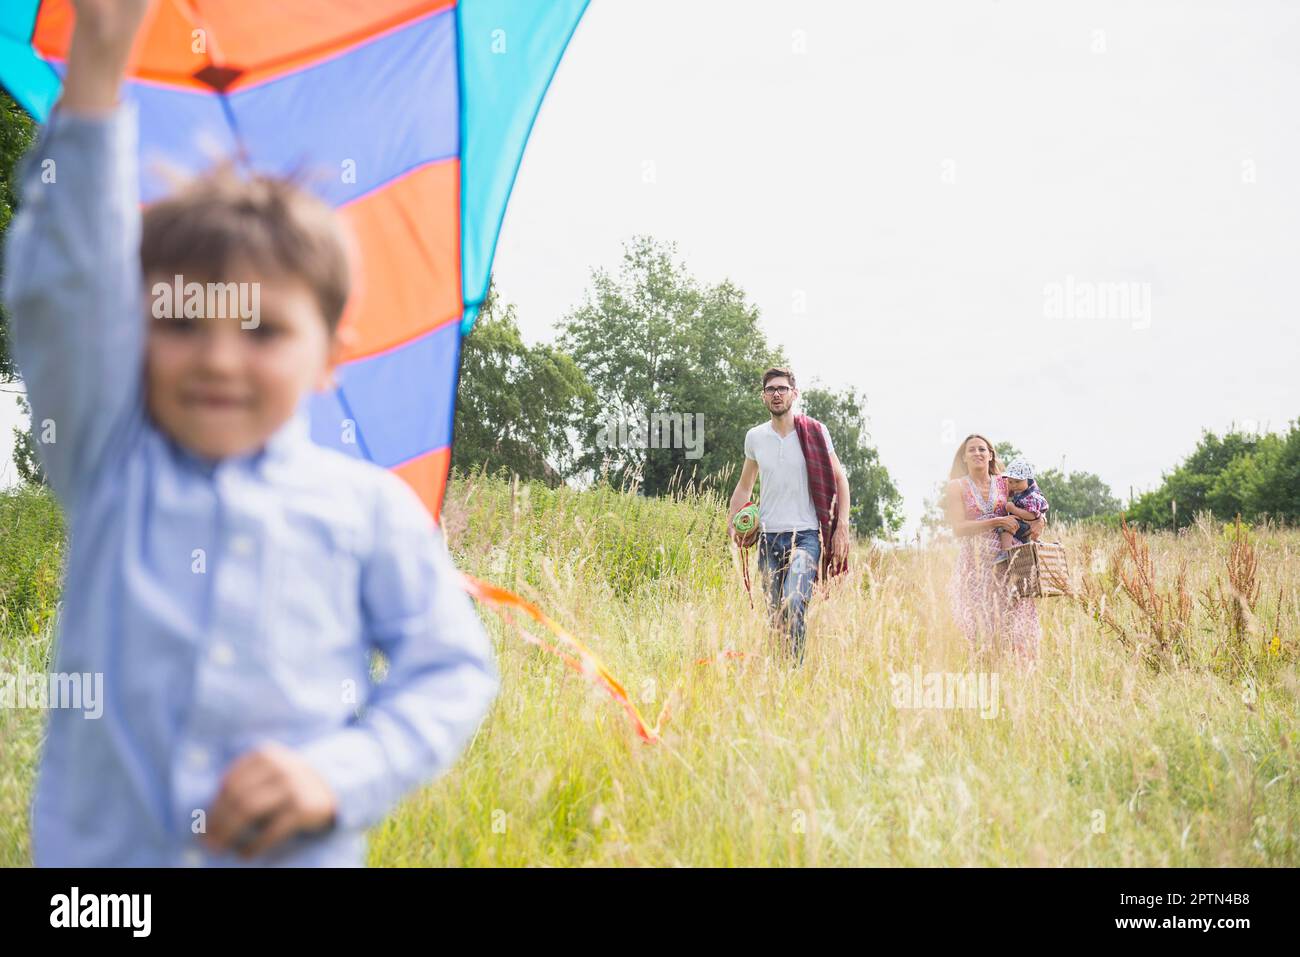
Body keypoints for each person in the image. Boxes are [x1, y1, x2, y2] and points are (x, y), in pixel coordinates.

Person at [2, 0, 497, 866]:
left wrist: (338, 771)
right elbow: (67, 279)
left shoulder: (369, 510)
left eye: (263, 331)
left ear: (330, 357)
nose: (220, 360)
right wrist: (101, 60)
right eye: (184, 321)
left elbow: (451, 670)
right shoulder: (110, 457)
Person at [728, 367, 850, 664]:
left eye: (783, 388)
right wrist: (735, 525)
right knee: (775, 617)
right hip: (768, 539)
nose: (777, 394)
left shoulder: (815, 431)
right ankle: (781, 675)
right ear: (763, 397)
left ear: (794, 394)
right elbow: (744, 487)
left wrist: (842, 525)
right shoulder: (755, 437)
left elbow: (840, 479)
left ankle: (794, 670)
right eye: (771, 389)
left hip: (806, 536)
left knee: (794, 600)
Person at [944, 434, 1043, 660]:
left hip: (1008, 555)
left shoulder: (1005, 481)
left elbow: (1034, 496)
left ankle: (1020, 668)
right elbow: (958, 528)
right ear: (964, 458)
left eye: (982, 449)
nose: (977, 453)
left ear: (990, 455)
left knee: (1015, 611)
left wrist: (1040, 519)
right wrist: (997, 521)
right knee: (981, 614)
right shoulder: (956, 486)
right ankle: (987, 664)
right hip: (976, 559)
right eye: (972, 450)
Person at [996, 457, 1050, 561]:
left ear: (1029, 480)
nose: (1014, 485)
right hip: (1023, 526)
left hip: (1026, 525)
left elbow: (1032, 515)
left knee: (1006, 526)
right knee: (1024, 548)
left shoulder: (1031, 496)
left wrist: (1013, 509)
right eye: (1010, 482)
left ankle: (1005, 552)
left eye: (1017, 482)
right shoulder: (1021, 491)